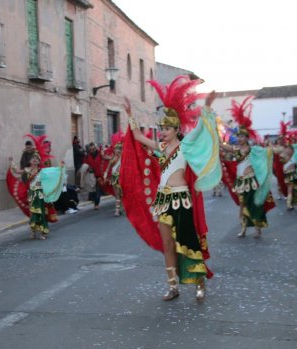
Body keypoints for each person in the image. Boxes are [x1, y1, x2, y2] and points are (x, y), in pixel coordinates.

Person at [121, 75, 221, 301]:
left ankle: (199, 282)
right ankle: (172, 286)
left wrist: (207, 105)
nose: (162, 131)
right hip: (163, 200)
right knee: (167, 244)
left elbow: (200, 131)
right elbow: (137, 136)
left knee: (187, 240)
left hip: (181, 199)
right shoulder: (160, 147)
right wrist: (129, 114)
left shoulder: (186, 146)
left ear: (176, 129)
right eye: (161, 127)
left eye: (166, 128)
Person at [220, 97, 275, 237]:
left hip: (252, 181)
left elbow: (267, 153)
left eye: (242, 136)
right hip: (240, 182)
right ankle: (243, 228)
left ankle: (257, 228)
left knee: (255, 205)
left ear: (246, 137)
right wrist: (216, 136)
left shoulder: (254, 149)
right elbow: (224, 147)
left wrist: (270, 150)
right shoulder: (236, 149)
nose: (239, 138)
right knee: (242, 206)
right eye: (238, 136)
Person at [8, 135, 66, 239]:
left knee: (41, 213)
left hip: (40, 194)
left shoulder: (42, 171)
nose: (34, 160)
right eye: (33, 159)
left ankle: (43, 232)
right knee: (33, 214)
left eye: (36, 159)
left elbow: (53, 172)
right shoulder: (27, 169)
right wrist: (11, 161)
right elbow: (16, 171)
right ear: (30, 161)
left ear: (39, 161)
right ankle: (33, 232)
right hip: (31, 194)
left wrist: (61, 168)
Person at [103, 131, 125, 216]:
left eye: (120, 149)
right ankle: (117, 210)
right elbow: (108, 169)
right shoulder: (112, 159)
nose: (118, 151)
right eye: (116, 149)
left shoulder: (124, 159)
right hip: (114, 177)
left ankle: (122, 207)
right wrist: (105, 177)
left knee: (122, 193)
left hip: (122, 178)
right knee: (117, 194)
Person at [83, 143, 104, 210]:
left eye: (94, 148)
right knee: (93, 190)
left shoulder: (100, 154)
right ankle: (93, 199)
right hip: (91, 176)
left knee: (98, 190)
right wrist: (88, 168)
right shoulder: (87, 156)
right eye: (91, 149)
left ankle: (96, 204)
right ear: (89, 150)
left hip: (99, 175)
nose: (93, 150)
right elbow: (84, 165)